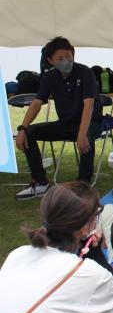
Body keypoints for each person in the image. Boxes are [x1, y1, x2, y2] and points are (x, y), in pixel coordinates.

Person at [0, 182, 113, 313]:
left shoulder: (18, 253)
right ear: (86, 227)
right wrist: (94, 252)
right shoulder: (85, 271)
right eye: (96, 216)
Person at [14, 36, 103, 200]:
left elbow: (89, 104)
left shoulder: (85, 72)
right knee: (30, 133)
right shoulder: (49, 77)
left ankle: (83, 185)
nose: (66, 61)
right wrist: (23, 128)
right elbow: (37, 103)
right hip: (65, 124)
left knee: (87, 135)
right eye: (60, 58)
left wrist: (82, 134)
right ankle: (40, 182)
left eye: (68, 56)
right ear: (50, 60)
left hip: (90, 122)